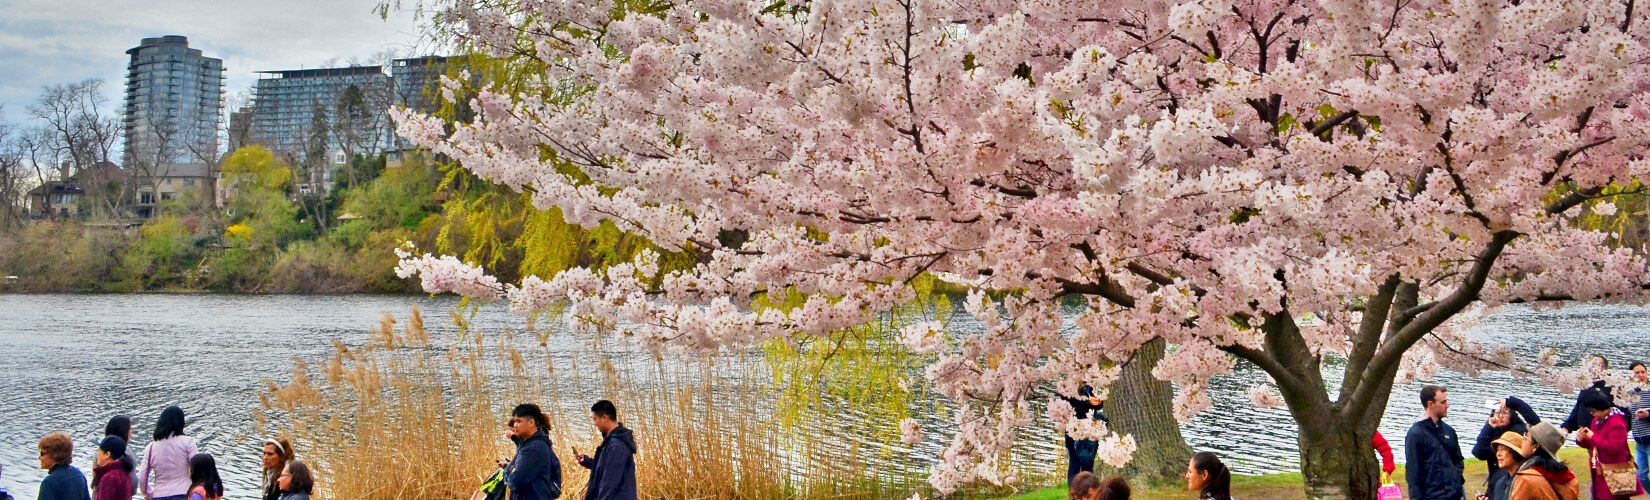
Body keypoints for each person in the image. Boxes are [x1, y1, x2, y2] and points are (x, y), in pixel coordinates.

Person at [1575, 390, 1643, 499]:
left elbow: (1613, 448)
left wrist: (1593, 436)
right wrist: (1581, 439)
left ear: (1602, 408)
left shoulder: (1616, 423)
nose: (1592, 414)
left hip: (1615, 471)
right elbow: (1594, 444)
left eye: (1593, 410)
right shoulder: (1596, 421)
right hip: (1599, 471)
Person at [1473, 397, 1541, 500]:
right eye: (1497, 413)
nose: (1500, 416)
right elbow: (1479, 452)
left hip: (1514, 483)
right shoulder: (1493, 431)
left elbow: (1536, 424)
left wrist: (1513, 402)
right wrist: (1489, 426)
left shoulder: (1521, 430)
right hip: (1495, 486)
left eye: (1504, 412)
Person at [1406, 385, 1465, 500]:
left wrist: (1456, 480)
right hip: (1431, 496)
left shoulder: (1449, 431)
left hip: (1453, 495)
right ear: (1430, 404)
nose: (1447, 406)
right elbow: (1413, 473)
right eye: (1443, 403)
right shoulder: (1416, 434)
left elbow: (1458, 460)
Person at [498, 404, 562, 500]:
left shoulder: (534, 448)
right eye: (514, 421)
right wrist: (511, 467)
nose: (515, 425)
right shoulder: (527, 443)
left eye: (519, 421)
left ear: (531, 422)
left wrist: (508, 471)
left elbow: (515, 482)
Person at [575, 400, 636, 500]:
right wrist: (587, 461)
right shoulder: (612, 442)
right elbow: (606, 466)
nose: (595, 424)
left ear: (604, 418)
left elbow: (609, 483)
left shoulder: (616, 445)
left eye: (595, 419)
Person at [140, 406, 199, 500]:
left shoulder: (150, 447)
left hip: (159, 495)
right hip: (184, 492)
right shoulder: (188, 442)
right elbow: (197, 469)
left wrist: (149, 494)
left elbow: (142, 476)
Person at [1508, 422, 1580, 500]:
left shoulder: (1526, 479)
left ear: (1535, 446)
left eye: (1526, 436)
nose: (1523, 438)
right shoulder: (1570, 479)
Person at [1562, 356, 1623, 434]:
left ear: (1606, 368)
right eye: (1592, 366)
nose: (1595, 369)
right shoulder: (1586, 385)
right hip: (1584, 432)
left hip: (1604, 433)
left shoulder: (1613, 387)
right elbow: (1578, 408)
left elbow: (1620, 413)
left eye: (1598, 366)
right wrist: (1566, 428)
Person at [1061, 386, 1107, 484]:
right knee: (1075, 462)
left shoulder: (1090, 382)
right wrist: (1088, 402)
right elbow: (1068, 404)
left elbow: (1097, 405)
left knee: (1088, 463)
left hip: (1091, 428)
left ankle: (1088, 495)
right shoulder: (1068, 384)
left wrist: (1098, 402)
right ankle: (1074, 495)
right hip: (1073, 427)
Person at [37, 431, 91, 500]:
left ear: (54, 455)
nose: (39, 457)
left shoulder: (49, 483)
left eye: (42, 453)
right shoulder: (78, 475)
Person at [1625, 361, 1649, 489]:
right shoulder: (1628, 393)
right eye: (1637, 373)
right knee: (1640, 475)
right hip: (1639, 441)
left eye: (1643, 372)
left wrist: (1648, 414)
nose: (1640, 375)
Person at [105, 415, 138, 497]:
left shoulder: (101, 452)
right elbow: (133, 484)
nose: (132, 431)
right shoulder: (127, 453)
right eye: (130, 429)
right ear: (124, 431)